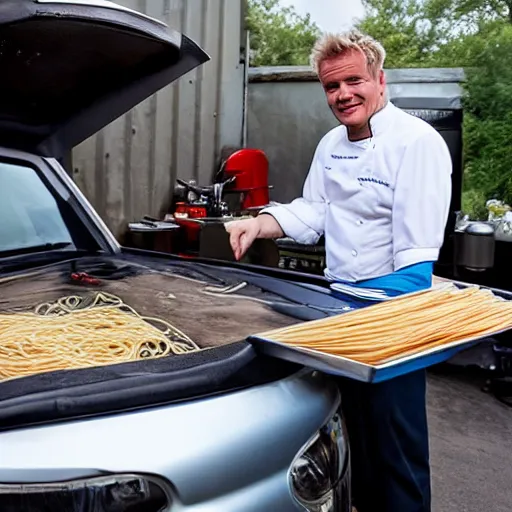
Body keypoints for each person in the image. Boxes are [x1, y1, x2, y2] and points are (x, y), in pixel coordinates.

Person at [225, 29, 452, 512]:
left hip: (392, 320)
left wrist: (350, 312)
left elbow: (416, 263)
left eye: (354, 81)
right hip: (341, 314)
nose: (343, 95)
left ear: (380, 80)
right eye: (332, 86)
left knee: (398, 454)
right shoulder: (331, 144)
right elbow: (315, 211)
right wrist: (260, 223)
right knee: (355, 445)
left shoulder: (418, 143)